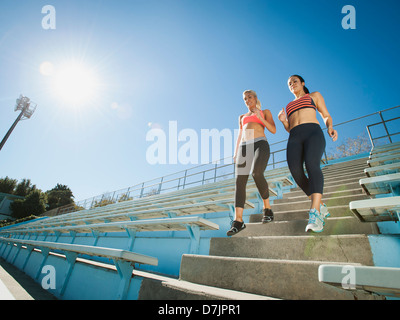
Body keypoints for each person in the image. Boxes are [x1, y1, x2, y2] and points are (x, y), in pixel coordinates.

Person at [278, 75, 338, 233]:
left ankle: (315, 213)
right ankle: (321, 205)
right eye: (289, 83)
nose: (292, 85)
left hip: (313, 133)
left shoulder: (314, 96)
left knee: (312, 164)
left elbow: (325, 115)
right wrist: (284, 121)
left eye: (294, 81)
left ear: (302, 83)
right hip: (295, 137)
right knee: (295, 172)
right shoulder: (289, 105)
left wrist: (330, 126)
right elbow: (291, 128)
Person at [227, 90, 276, 236]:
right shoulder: (242, 117)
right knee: (239, 181)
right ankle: (238, 220)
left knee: (257, 173)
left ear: (255, 98)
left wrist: (260, 116)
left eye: (249, 97)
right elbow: (240, 135)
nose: (247, 100)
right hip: (244, 147)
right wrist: (236, 152)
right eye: (244, 99)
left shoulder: (265, 111)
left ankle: (267, 209)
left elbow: (272, 129)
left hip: (260, 143)